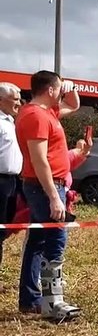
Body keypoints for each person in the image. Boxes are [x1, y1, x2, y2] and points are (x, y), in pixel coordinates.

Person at [17, 70, 80, 321]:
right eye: (59, 88)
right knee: (55, 239)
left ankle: (32, 298)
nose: (61, 93)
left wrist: (70, 87)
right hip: (46, 185)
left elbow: (73, 105)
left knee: (39, 241)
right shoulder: (35, 116)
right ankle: (51, 302)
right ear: (50, 90)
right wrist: (54, 196)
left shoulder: (47, 113)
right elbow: (39, 159)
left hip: (47, 184)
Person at [0, 83, 23, 272]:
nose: (19, 103)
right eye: (15, 99)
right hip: (1, 181)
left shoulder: (10, 121)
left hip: (13, 182)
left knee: (5, 228)